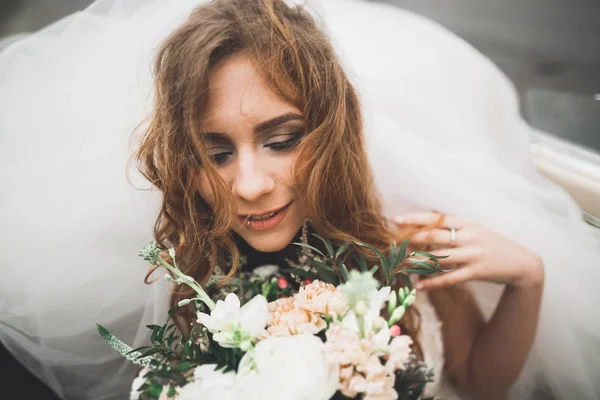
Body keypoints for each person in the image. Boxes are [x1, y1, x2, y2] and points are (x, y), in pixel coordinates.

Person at [0, 0, 598, 399]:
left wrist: (528, 283)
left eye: (281, 140)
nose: (251, 185)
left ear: (330, 131)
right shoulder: (182, 276)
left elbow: (477, 381)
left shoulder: (405, 241)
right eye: (216, 152)